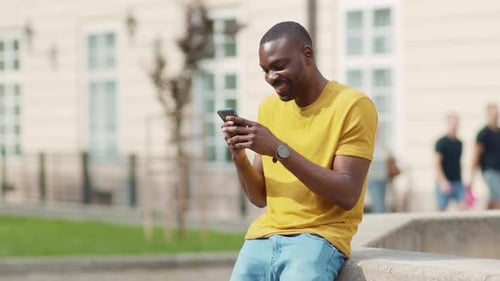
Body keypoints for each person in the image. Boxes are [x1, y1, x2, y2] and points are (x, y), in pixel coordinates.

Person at [220, 21, 377, 281]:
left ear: (307, 56)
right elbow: (260, 197)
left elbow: (348, 192)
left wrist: (279, 150)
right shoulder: (269, 108)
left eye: (279, 66)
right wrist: (239, 156)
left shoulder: (353, 105)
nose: (271, 77)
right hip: (263, 238)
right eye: (265, 70)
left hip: (317, 238)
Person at [468, 104, 500, 209]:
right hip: (489, 171)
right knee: (498, 196)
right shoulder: (483, 134)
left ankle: (486, 218)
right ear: (488, 115)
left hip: (498, 170)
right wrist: (471, 177)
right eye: (492, 113)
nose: (495, 116)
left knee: (493, 198)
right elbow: (476, 155)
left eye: (496, 113)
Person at [434, 114, 466, 211]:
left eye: (456, 124)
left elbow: (459, 162)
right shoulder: (441, 143)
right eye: (452, 124)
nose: (454, 127)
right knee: (441, 210)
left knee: (463, 207)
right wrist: (443, 181)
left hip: (457, 181)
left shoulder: (459, 143)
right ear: (448, 124)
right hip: (445, 181)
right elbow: (437, 163)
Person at [367, 132, 400, 213]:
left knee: (380, 201)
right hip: (373, 178)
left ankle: (378, 216)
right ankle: (378, 217)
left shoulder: (381, 145)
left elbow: (390, 157)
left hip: (382, 178)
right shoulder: (369, 145)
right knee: (378, 201)